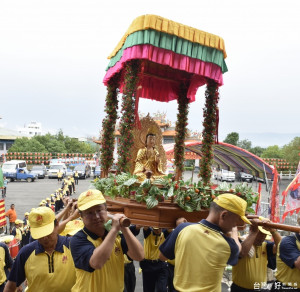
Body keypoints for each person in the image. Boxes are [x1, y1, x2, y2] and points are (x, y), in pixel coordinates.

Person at [159, 193, 249, 292]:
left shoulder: (182, 228)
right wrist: (234, 232)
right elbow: (238, 250)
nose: (234, 225)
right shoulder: (228, 245)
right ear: (224, 215)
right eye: (235, 221)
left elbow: (162, 257)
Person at [70, 189, 144, 292]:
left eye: (99, 210)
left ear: (106, 209)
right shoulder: (78, 240)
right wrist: (114, 230)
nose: (96, 216)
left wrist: (125, 229)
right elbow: (97, 263)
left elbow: (139, 256)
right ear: (81, 216)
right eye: (89, 213)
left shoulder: (116, 235)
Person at [4, 206, 76, 292]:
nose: (45, 238)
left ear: (57, 224)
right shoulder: (26, 253)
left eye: (47, 232)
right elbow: (11, 286)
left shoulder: (73, 246)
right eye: (40, 234)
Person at [231, 217, 281, 292]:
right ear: (252, 230)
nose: (262, 237)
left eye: (265, 234)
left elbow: (281, 247)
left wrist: (273, 231)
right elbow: (242, 253)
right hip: (240, 289)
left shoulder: (266, 246)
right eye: (260, 233)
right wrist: (253, 232)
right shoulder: (240, 243)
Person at [140, 226, 171, 292]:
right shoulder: (148, 233)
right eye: (156, 229)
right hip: (148, 265)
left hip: (161, 264)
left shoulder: (164, 234)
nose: (157, 231)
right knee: (148, 289)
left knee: (162, 289)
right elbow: (145, 226)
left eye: (159, 229)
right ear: (152, 228)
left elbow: (170, 228)